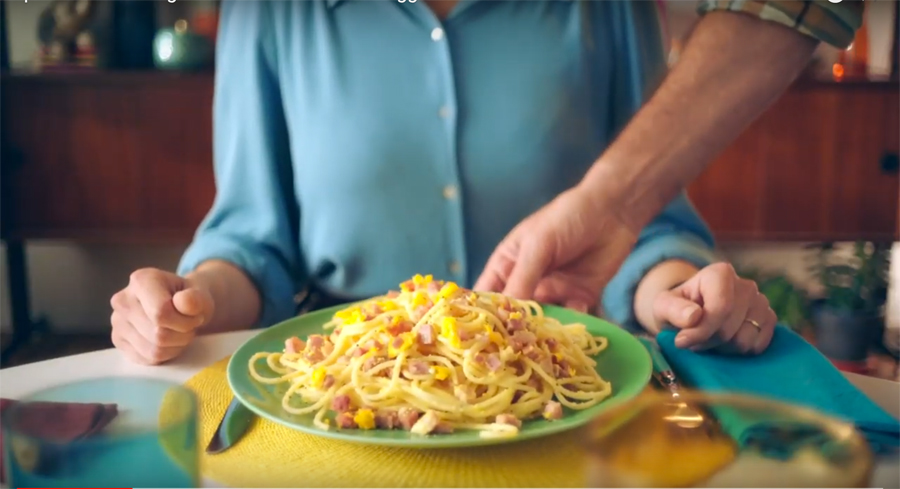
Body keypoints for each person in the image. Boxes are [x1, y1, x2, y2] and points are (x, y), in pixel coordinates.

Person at [110, 0, 861, 365]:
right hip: (351, 375)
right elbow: (251, 243)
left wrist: (674, 289)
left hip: (565, 369)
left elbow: (647, 218)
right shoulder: (273, 10)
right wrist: (187, 303)